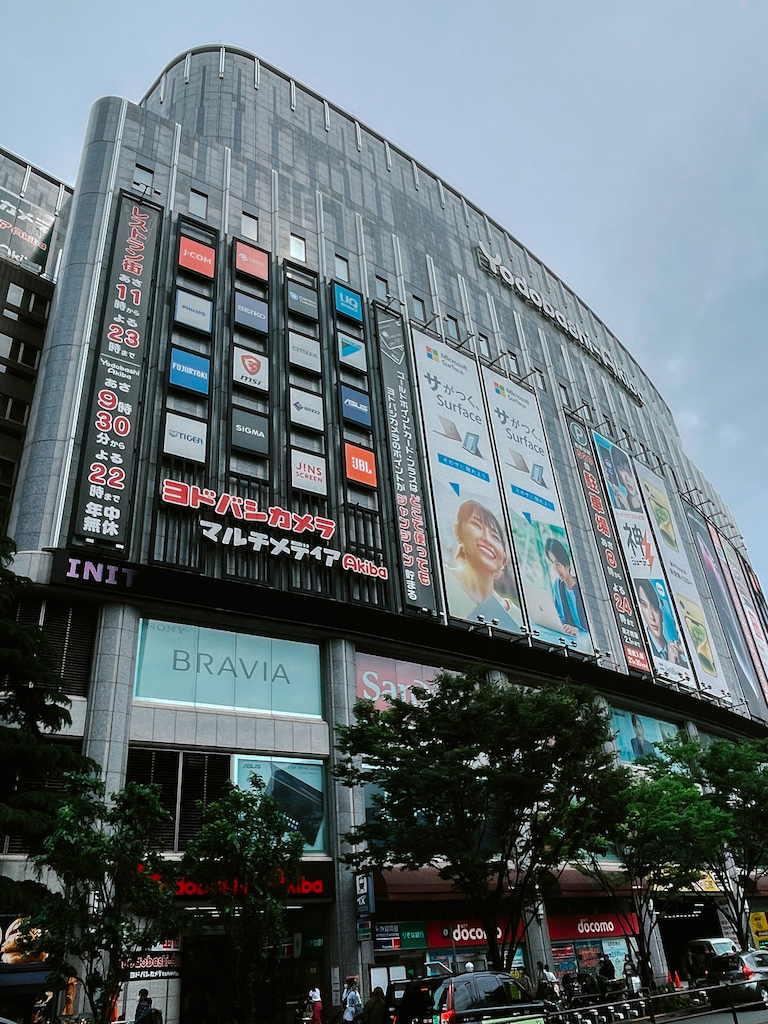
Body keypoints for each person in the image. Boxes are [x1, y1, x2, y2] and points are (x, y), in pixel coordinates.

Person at [445, 500, 520, 631]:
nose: (486, 539)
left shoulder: (517, 617)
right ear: (458, 531)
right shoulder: (441, 578)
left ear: (503, 561)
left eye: (495, 537)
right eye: (476, 525)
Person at [636, 578, 688, 666]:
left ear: (662, 613)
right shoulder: (640, 647)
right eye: (644, 605)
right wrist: (671, 665)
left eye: (654, 608)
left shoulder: (679, 655)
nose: (651, 616)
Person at [544, 537, 588, 635]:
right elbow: (559, 616)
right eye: (552, 563)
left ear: (566, 564)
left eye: (557, 563)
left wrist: (578, 631)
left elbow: (595, 628)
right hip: (568, 636)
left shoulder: (583, 589)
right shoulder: (558, 586)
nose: (555, 568)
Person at [611, 448, 643, 513]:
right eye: (621, 470)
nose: (627, 479)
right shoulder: (620, 500)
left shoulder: (646, 510)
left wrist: (627, 508)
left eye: (630, 474)